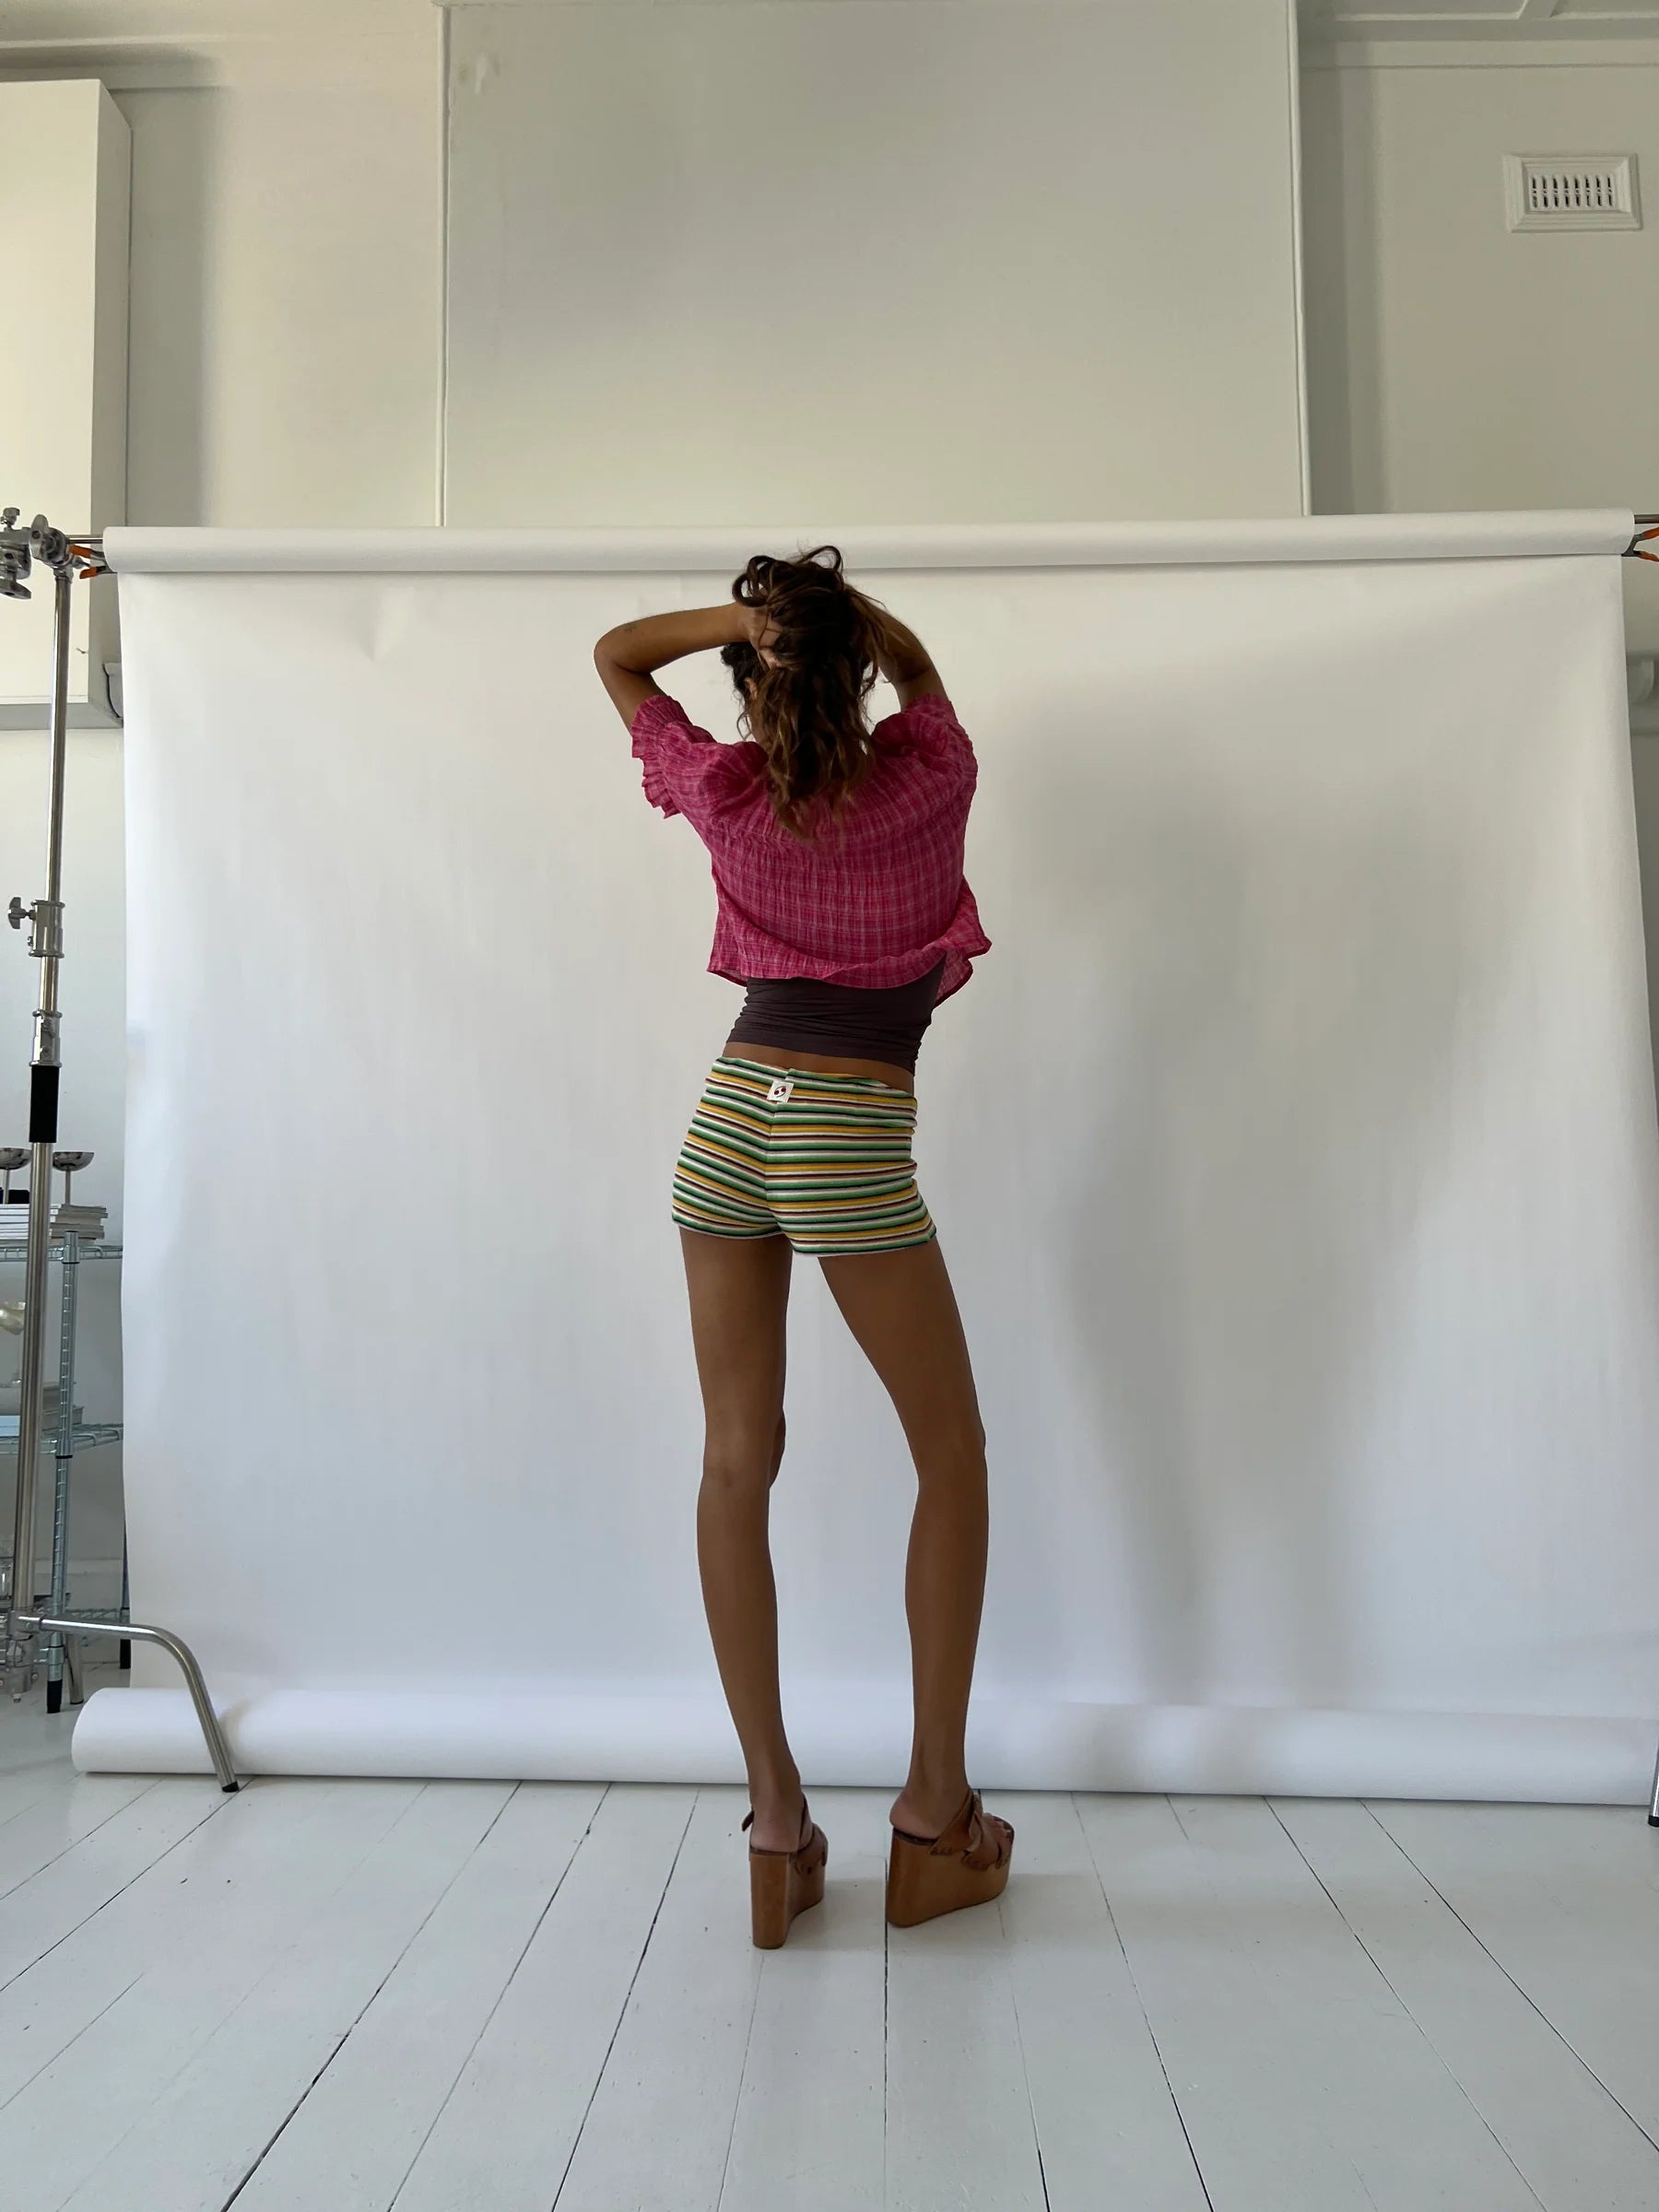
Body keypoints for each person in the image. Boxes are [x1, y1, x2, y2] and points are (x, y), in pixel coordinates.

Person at [593, 546, 1013, 1947]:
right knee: (950, 1457)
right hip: (843, 1125)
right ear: (856, 668)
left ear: (756, 677)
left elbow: (615, 655)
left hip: (728, 1121)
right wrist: (821, 620)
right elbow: (922, 668)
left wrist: (750, 620)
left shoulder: (723, 791)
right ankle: (935, 1815)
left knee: (733, 1459)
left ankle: (776, 1824)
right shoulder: (931, 774)